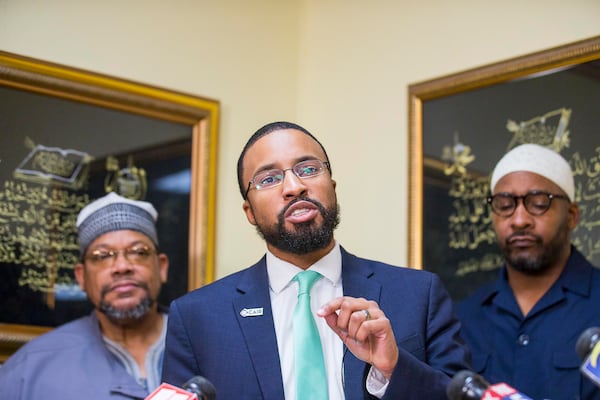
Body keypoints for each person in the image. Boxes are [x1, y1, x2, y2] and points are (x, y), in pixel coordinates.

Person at [161, 121, 470, 399]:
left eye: (308, 169)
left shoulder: (419, 294)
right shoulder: (196, 318)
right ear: (250, 213)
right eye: (268, 179)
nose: (294, 187)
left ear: (332, 188)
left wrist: (393, 369)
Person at [455, 143, 600, 400]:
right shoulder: (464, 319)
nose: (520, 220)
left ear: (572, 216)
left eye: (539, 203)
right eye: (504, 204)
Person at [0, 192, 170, 400]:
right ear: (81, 276)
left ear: (161, 267)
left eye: (138, 252)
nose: (122, 266)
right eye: (102, 256)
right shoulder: (29, 370)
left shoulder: (206, 346)